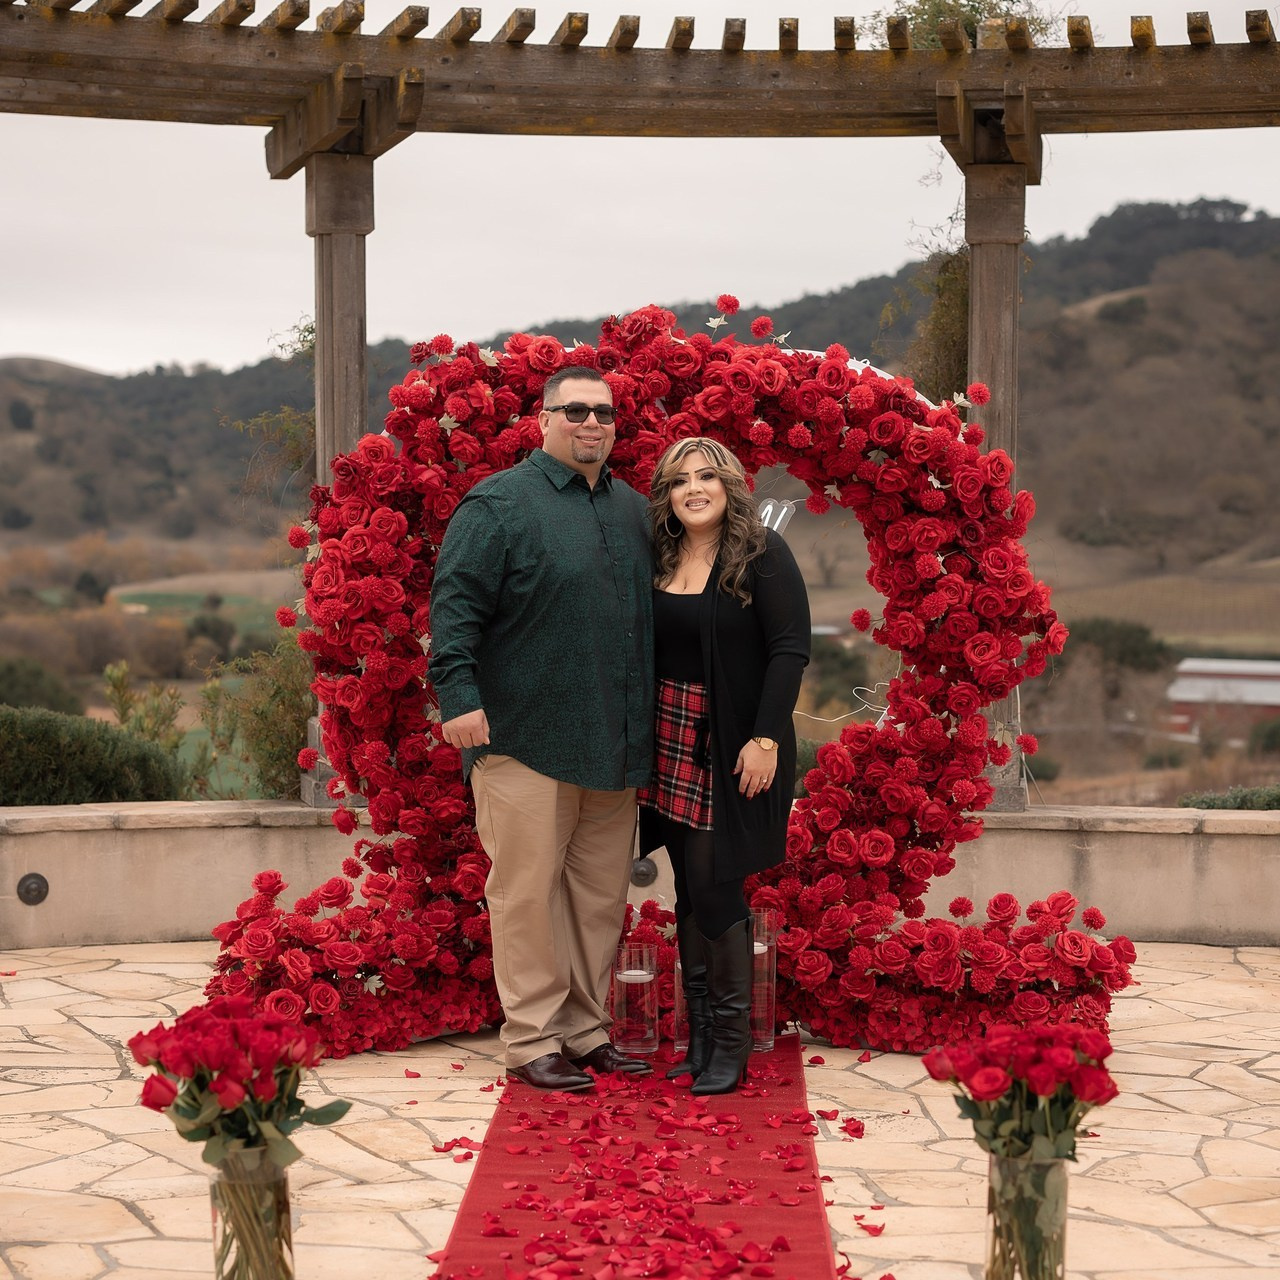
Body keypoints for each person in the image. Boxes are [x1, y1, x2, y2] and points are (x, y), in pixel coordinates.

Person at [429, 367, 655, 1091]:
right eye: (577, 410)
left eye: (605, 413)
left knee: (597, 900)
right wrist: (458, 696)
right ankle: (532, 1041)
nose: (593, 422)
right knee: (525, 896)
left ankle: (587, 1033)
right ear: (544, 419)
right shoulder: (498, 505)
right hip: (523, 738)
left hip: (614, 740)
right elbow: (454, 609)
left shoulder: (631, 510)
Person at [638, 437, 810, 1095]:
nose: (694, 488)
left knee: (716, 886)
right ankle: (701, 1040)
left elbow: (790, 650)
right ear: (668, 494)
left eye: (707, 476)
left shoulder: (762, 553)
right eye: (680, 480)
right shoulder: (659, 555)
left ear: (731, 485)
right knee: (686, 889)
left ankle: (731, 1047)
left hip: (733, 740)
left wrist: (765, 739)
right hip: (668, 739)